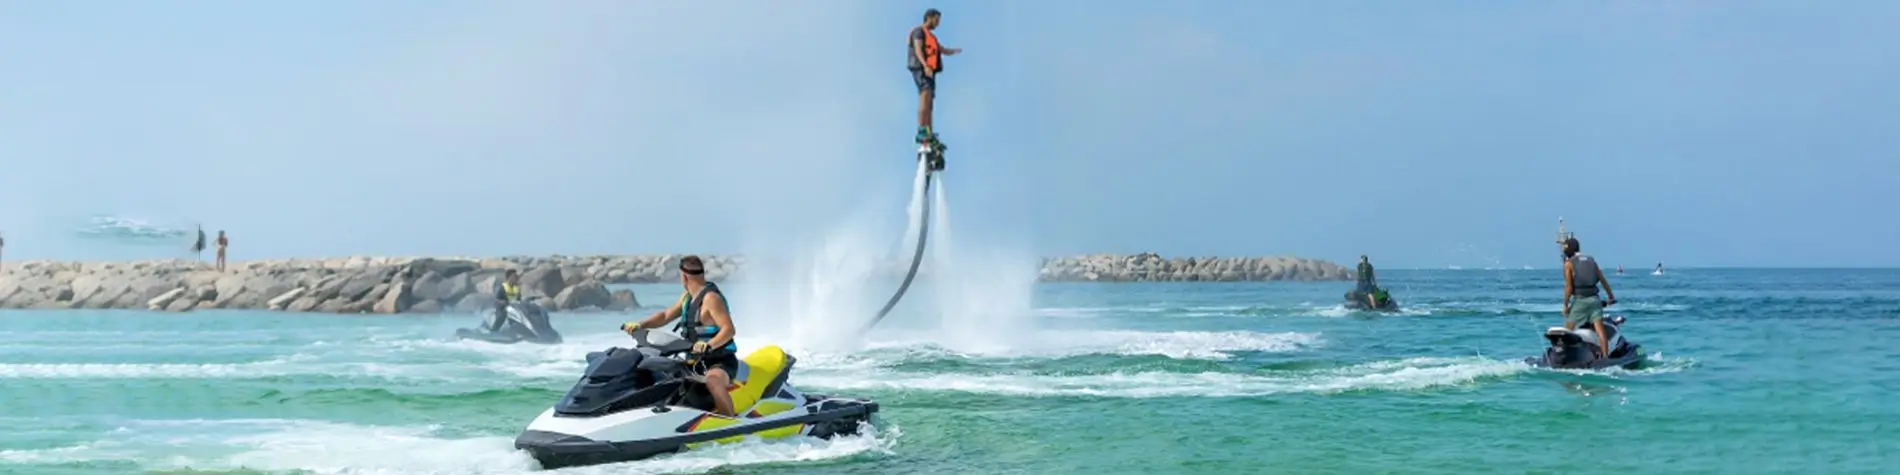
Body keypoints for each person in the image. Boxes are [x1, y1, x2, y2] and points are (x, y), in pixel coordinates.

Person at [621, 255, 740, 417]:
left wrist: (709, 345)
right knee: (657, 373)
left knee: (713, 382)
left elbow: (728, 330)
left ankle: (730, 419)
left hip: (719, 362)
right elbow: (665, 316)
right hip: (694, 361)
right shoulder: (687, 298)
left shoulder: (711, 299)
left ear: (684, 276)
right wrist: (640, 325)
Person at [908, 8, 961, 147]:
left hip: (930, 71)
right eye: (937, 20)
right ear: (929, 18)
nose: (938, 23)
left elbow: (941, 49)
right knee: (925, 96)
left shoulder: (932, 37)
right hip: (922, 69)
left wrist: (953, 51)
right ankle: (921, 129)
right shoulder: (919, 32)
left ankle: (929, 132)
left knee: (930, 102)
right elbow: (918, 49)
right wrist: (925, 65)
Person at [1562, 237, 1618, 358]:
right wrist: (1611, 296)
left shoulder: (1569, 264)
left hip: (1580, 301)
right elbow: (1603, 280)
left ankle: (1561, 356)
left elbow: (1569, 287)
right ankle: (1605, 358)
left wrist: (1565, 305)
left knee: (1566, 331)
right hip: (1595, 300)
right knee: (1600, 330)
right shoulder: (1591, 261)